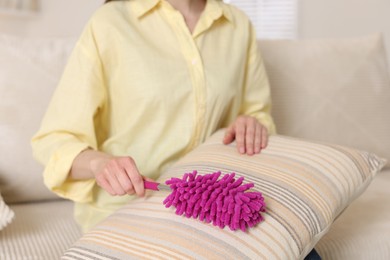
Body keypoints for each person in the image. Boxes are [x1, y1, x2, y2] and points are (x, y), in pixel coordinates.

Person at [31, 0, 275, 232]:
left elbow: (257, 113)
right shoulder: (110, 23)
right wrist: (100, 164)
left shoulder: (238, 25)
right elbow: (54, 140)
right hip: (127, 208)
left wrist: (251, 124)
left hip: (209, 210)